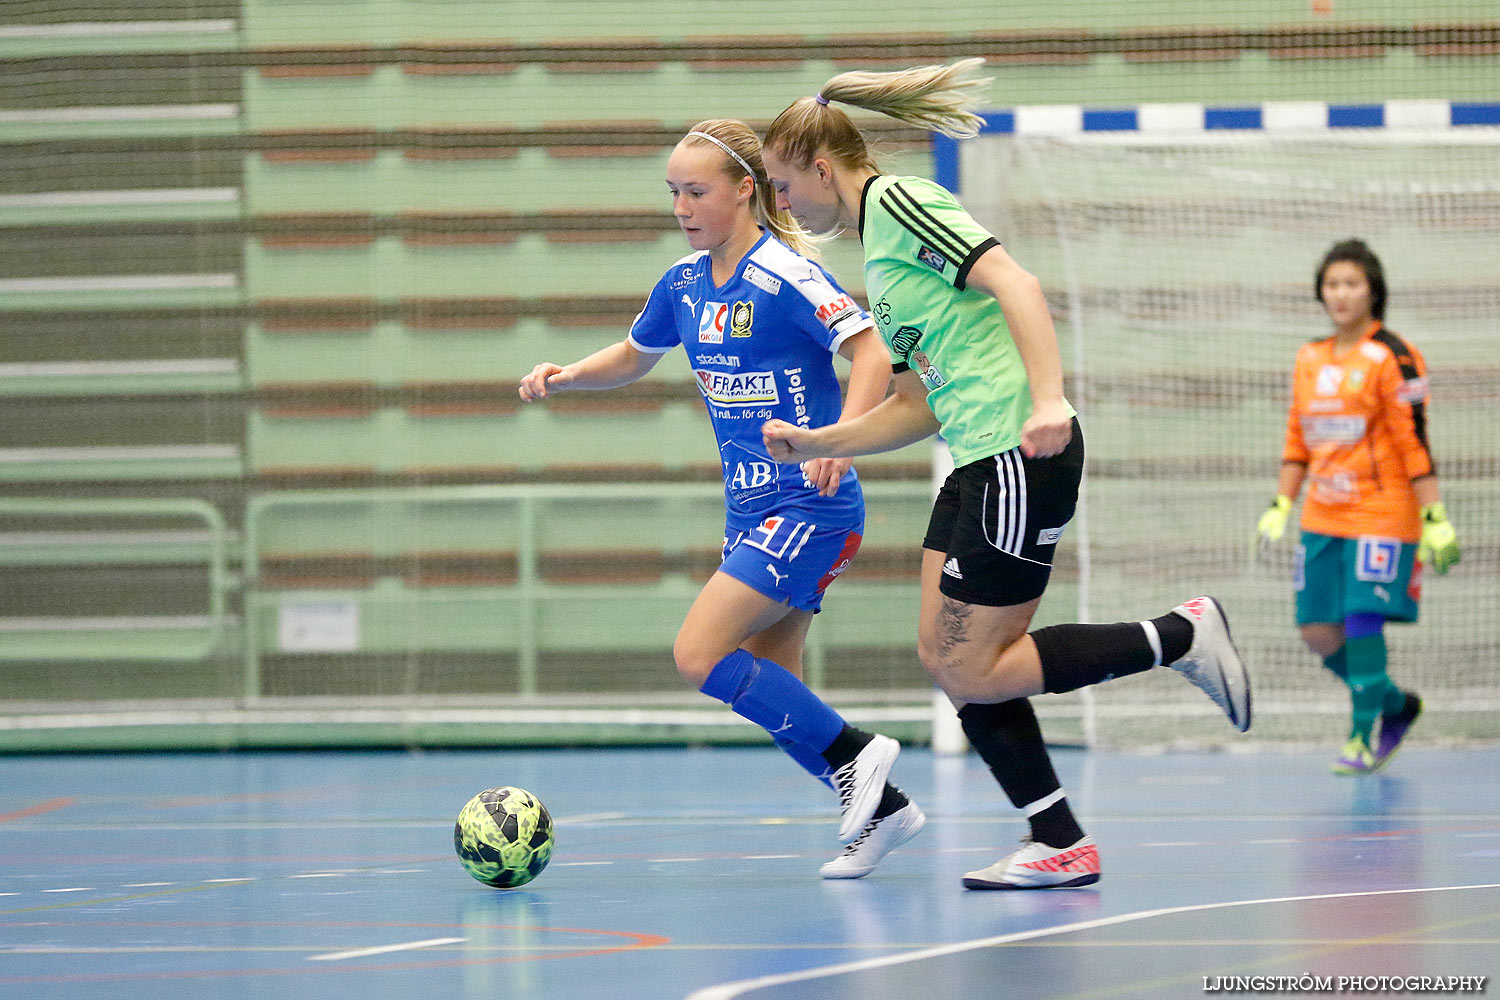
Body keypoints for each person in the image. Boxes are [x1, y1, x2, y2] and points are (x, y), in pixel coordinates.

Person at [758, 59, 1252, 891]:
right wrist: (822, 441)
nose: (783, 205)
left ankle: (1180, 635)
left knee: (977, 663)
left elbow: (1014, 282)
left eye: (780, 185)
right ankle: (1057, 837)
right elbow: (919, 405)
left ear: (820, 167)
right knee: (943, 654)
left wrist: (1050, 397)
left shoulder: (904, 203)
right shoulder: (878, 256)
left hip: (1020, 451)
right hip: (973, 454)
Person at [519, 119, 924, 878]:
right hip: (749, 511)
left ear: (747, 189)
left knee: (701, 654)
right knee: (777, 687)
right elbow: (635, 356)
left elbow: (869, 349)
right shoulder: (682, 284)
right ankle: (887, 807)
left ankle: (863, 755)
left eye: (696, 190)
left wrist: (838, 438)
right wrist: (570, 373)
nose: (681, 206)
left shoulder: (786, 275)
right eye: (673, 192)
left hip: (808, 504)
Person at [1254, 238, 1458, 775]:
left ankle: (1362, 734)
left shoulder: (1394, 355)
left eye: (1352, 283)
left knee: (1361, 621)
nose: (1341, 294)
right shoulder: (1309, 356)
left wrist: (1434, 517)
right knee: (1318, 632)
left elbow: (1415, 442)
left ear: (1373, 291)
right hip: (1322, 516)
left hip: (1382, 515)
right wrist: (1281, 503)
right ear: (1320, 292)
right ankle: (1396, 705)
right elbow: (1298, 440)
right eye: (1332, 284)